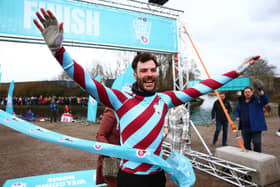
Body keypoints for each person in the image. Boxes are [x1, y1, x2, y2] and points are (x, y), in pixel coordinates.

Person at [33, 9, 256, 187]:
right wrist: (58, 51)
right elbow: (86, 81)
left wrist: (235, 72)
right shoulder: (120, 100)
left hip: (157, 176)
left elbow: (202, 87)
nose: (149, 74)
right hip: (130, 179)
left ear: (156, 72)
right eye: (144, 71)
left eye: (152, 70)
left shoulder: (164, 100)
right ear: (136, 74)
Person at [235, 87, 269, 152]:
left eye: (249, 92)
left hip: (256, 126)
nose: (247, 93)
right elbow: (237, 110)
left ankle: (258, 157)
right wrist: (237, 116)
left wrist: (262, 94)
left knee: (257, 143)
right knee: (246, 144)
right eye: (246, 92)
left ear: (252, 93)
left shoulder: (257, 100)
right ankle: (249, 158)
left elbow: (265, 101)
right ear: (244, 93)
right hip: (245, 127)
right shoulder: (241, 101)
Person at [96, 108, 120, 187]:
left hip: (125, 159)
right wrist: (111, 152)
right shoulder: (112, 112)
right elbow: (100, 135)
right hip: (111, 160)